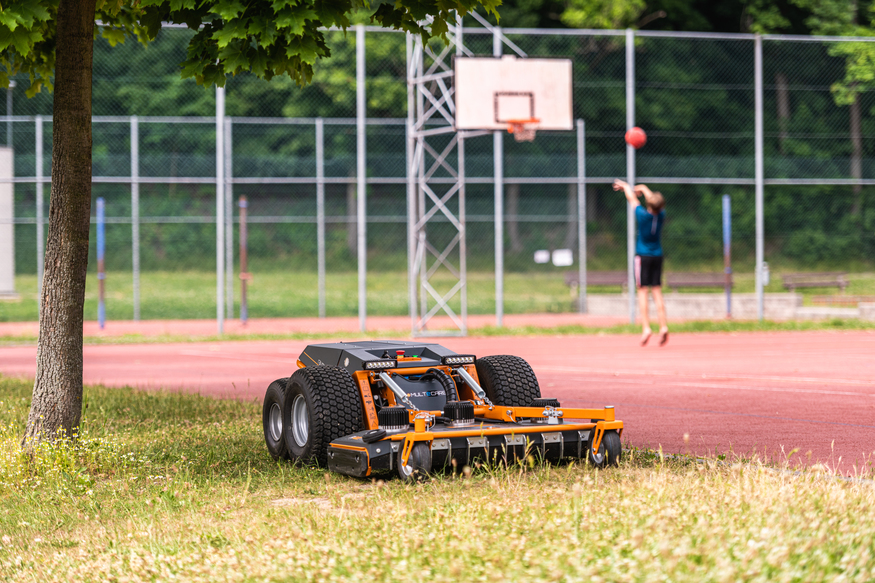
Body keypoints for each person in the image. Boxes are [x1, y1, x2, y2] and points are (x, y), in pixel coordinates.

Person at [613, 179, 668, 346]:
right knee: (657, 291)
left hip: (643, 257)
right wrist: (643, 188)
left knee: (642, 292)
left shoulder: (642, 215)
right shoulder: (662, 215)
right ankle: (663, 326)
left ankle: (646, 327)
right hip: (657, 255)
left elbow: (632, 199)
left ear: (649, 205)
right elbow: (654, 201)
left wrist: (626, 187)